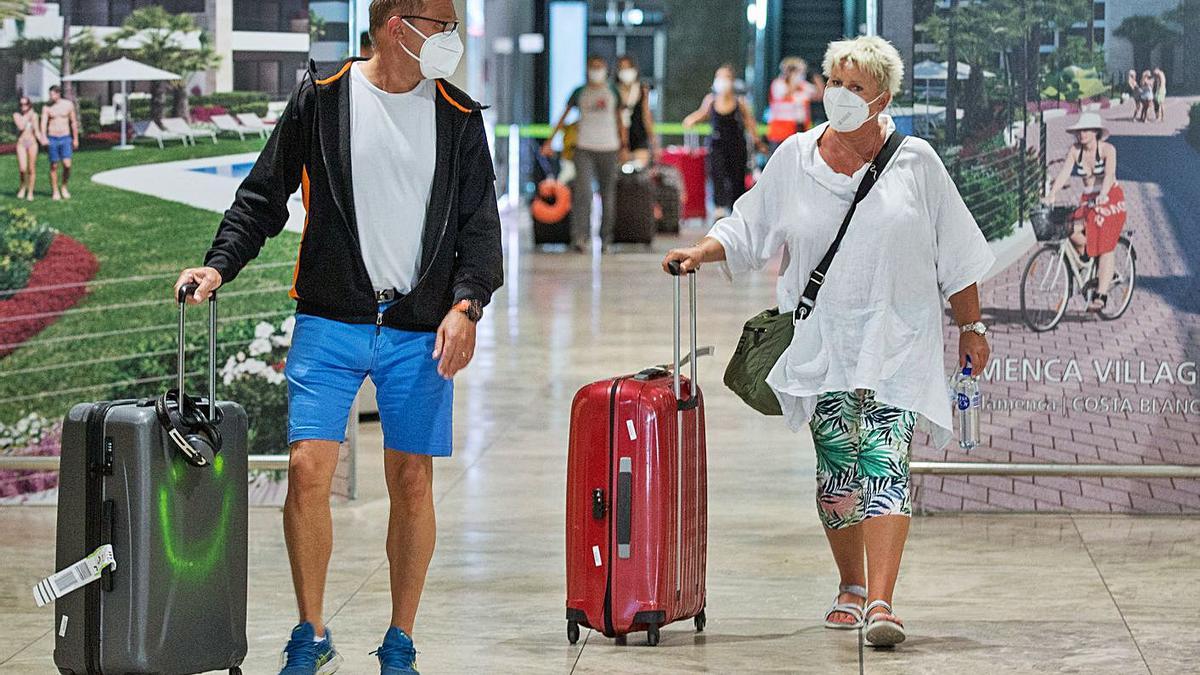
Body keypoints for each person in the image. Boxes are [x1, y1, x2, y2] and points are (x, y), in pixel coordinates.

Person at [173, 1, 503, 673]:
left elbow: (479, 229)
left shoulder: (459, 119)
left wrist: (466, 305)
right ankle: (310, 630)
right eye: (439, 23)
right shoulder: (321, 101)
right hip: (330, 319)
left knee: (411, 479)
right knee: (306, 470)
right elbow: (262, 197)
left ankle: (400, 639)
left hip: (417, 330)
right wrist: (219, 264)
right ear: (395, 23)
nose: (450, 37)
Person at [663, 35, 994, 648]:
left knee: (885, 463)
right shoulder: (795, 158)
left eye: (855, 87)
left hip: (897, 337)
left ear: (882, 98)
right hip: (823, 341)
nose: (839, 96)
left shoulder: (916, 160)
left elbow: (957, 253)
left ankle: (883, 601)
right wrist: (703, 252)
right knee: (838, 473)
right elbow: (749, 223)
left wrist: (971, 325)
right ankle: (850, 584)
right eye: (834, 83)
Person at [542, 56, 628, 253]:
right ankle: (580, 237)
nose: (596, 71)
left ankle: (606, 239)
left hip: (610, 147)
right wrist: (549, 140)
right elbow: (563, 117)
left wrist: (624, 146)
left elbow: (620, 120)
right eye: (593, 67)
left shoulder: (612, 92)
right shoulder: (579, 92)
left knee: (608, 195)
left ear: (606, 69)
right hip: (584, 148)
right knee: (583, 194)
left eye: (600, 67)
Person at [1044, 113, 1126, 313]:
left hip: (1110, 197)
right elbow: (1064, 173)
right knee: (1068, 228)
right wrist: (1052, 194)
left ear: (1096, 132)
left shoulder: (1107, 150)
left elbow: (1109, 175)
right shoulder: (1075, 151)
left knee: (1105, 242)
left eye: (1086, 130)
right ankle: (1095, 263)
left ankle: (1101, 295)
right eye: (1080, 130)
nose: (1082, 134)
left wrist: (1103, 194)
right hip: (1088, 199)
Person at [682, 64, 762, 219]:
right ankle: (719, 208)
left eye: (725, 77)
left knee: (736, 177)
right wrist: (690, 120)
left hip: (737, 145)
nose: (722, 81)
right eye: (719, 77)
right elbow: (702, 114)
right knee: (716, 174)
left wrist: (757, 141)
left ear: (732, 81)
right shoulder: (711, 100)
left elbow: (750, 123)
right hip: (717, 144)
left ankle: (737, 209)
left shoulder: (740, 102)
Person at [767, 57, 824, 152]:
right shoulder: (778, 84)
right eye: (799, 72)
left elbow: (819, 95)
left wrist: (816, 78)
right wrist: (793, 80)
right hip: (781, 132)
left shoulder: (803, 86)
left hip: (799, 130)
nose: (801, 75)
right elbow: (786, 94)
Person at [616, 54, 658, 167]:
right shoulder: (614, 92)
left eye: (628, 67)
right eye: (622, 68)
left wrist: (654, 141)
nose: (626, 71)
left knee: (639, 172)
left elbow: (646, 116)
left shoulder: (642, 90)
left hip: (639, 137)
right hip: (617, 139)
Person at [39, 85, 78, 201]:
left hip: (65, 137)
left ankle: (64, 187)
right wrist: (43, 137)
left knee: (67, 165)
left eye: (52, 94)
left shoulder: (68, 105)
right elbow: (43, 124)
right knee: (54, 165)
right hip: (53, 138)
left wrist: (75, 138)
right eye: (50, 95)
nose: (51, 97)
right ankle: (55, 191)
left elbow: (73, 122)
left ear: (58, 94)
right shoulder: (46, 107)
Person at [13, 97, 43, 202]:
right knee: (22, 169)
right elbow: (21, 126)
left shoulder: (34, 116)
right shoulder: (17, 115)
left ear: (29, 104)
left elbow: (37, 131)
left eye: (25, 104)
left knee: (31, 169)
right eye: (21, 104)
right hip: (21, 144)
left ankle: (30, 192)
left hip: (32, 144)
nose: (23, 106)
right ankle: (22, 186)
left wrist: (43, 140)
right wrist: (28, 115)